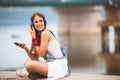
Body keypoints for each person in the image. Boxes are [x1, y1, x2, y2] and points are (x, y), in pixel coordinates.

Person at [15, 12, 70, 79]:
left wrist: (33, 37)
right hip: (50, 63)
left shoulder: (45, 33)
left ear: (44, 22)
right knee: (27, 61)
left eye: (41, 21)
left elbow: (41, 53)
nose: (39, 24)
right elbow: (35, 58)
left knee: (29, 65)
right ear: (32, 25)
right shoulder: (38, 36)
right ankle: (35, 73)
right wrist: (26, 48)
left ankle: (31, 72)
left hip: (58, 66)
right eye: (36, 22)